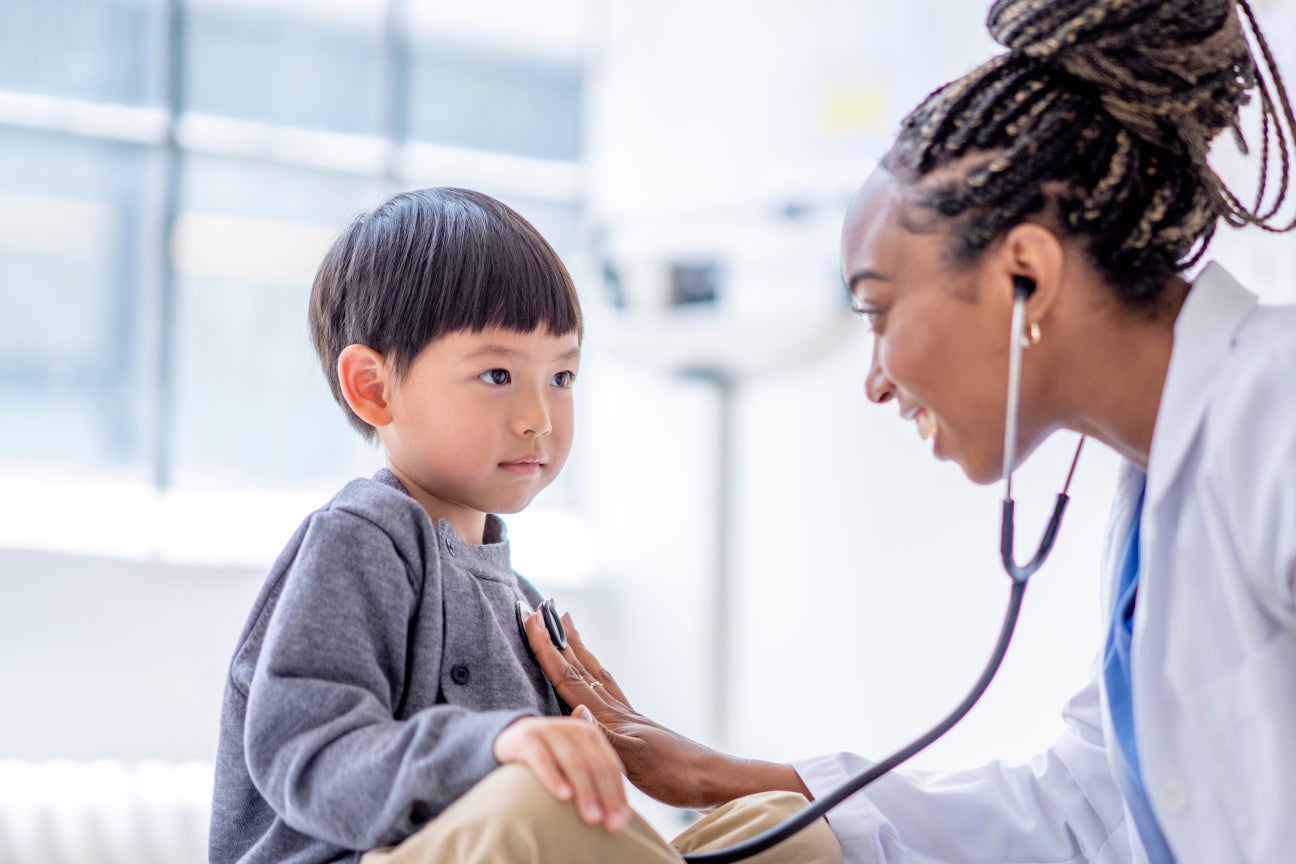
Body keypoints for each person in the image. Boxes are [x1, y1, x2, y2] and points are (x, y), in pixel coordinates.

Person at [519, 1, 1296, 862]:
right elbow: (1084, 810)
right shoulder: (1164, 480)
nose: (875, 378)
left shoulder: (1276, 414)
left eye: (880, 308)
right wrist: (713, 775)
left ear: (1025, 276)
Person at [208, 187, 842, 864]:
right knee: (530, 802)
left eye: (562, 376)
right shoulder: (361, 538)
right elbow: (306, 750)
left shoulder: (525, 602)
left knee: (786, 824)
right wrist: (495, 746)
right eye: (499, 373)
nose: (538, 415)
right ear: (374, 387)